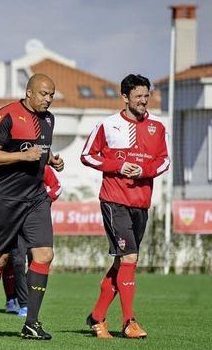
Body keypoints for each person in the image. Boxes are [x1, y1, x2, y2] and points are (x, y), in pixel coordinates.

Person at [82, 74, 169, 339]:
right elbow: (87, 155)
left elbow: (164, 161)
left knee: (124, 263)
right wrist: (118, 166)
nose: (144, 100)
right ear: (125, 97)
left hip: (141, 203)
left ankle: (97, 317)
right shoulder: (107, 125)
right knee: (129, 257)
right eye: (139, 96)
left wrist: (144, 170)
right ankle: (129, 321)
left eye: (147, 95)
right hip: (114, 200)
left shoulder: (158, 127)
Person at [0, 74, 64, 340]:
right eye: (43, 94)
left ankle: (31, 323)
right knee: (0, 259)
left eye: (51, 95)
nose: (48, 99)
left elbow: (39, 148)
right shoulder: (7, 115)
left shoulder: (48, 119)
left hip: (36, 198)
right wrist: (21, 156)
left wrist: (51, 160)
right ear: (29, 92)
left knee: (44, 255)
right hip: (5, 199)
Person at [3, 165, 62, 318]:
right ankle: (22, 304)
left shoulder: (43, 167)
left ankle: (30, 302)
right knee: (17, 261)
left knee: (36, 261)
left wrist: (44, 200)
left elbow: (57, 187)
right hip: (14, 220)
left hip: (35, 221)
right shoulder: (10, 167)